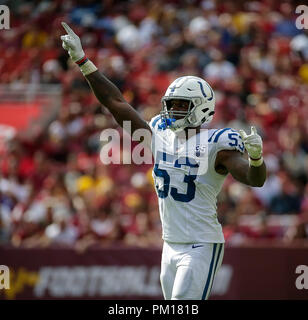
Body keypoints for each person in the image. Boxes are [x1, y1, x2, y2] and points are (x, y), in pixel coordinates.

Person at [61, 22, 266, 300]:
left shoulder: (218, 143)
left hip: (201, 243)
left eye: (181, 105)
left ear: (202, 108)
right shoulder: (160, 132)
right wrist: (83, 61)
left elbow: (255, 179)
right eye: (170, 104)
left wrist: (255, 158)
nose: (171, 111)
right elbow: (117, 104)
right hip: (169, 244)